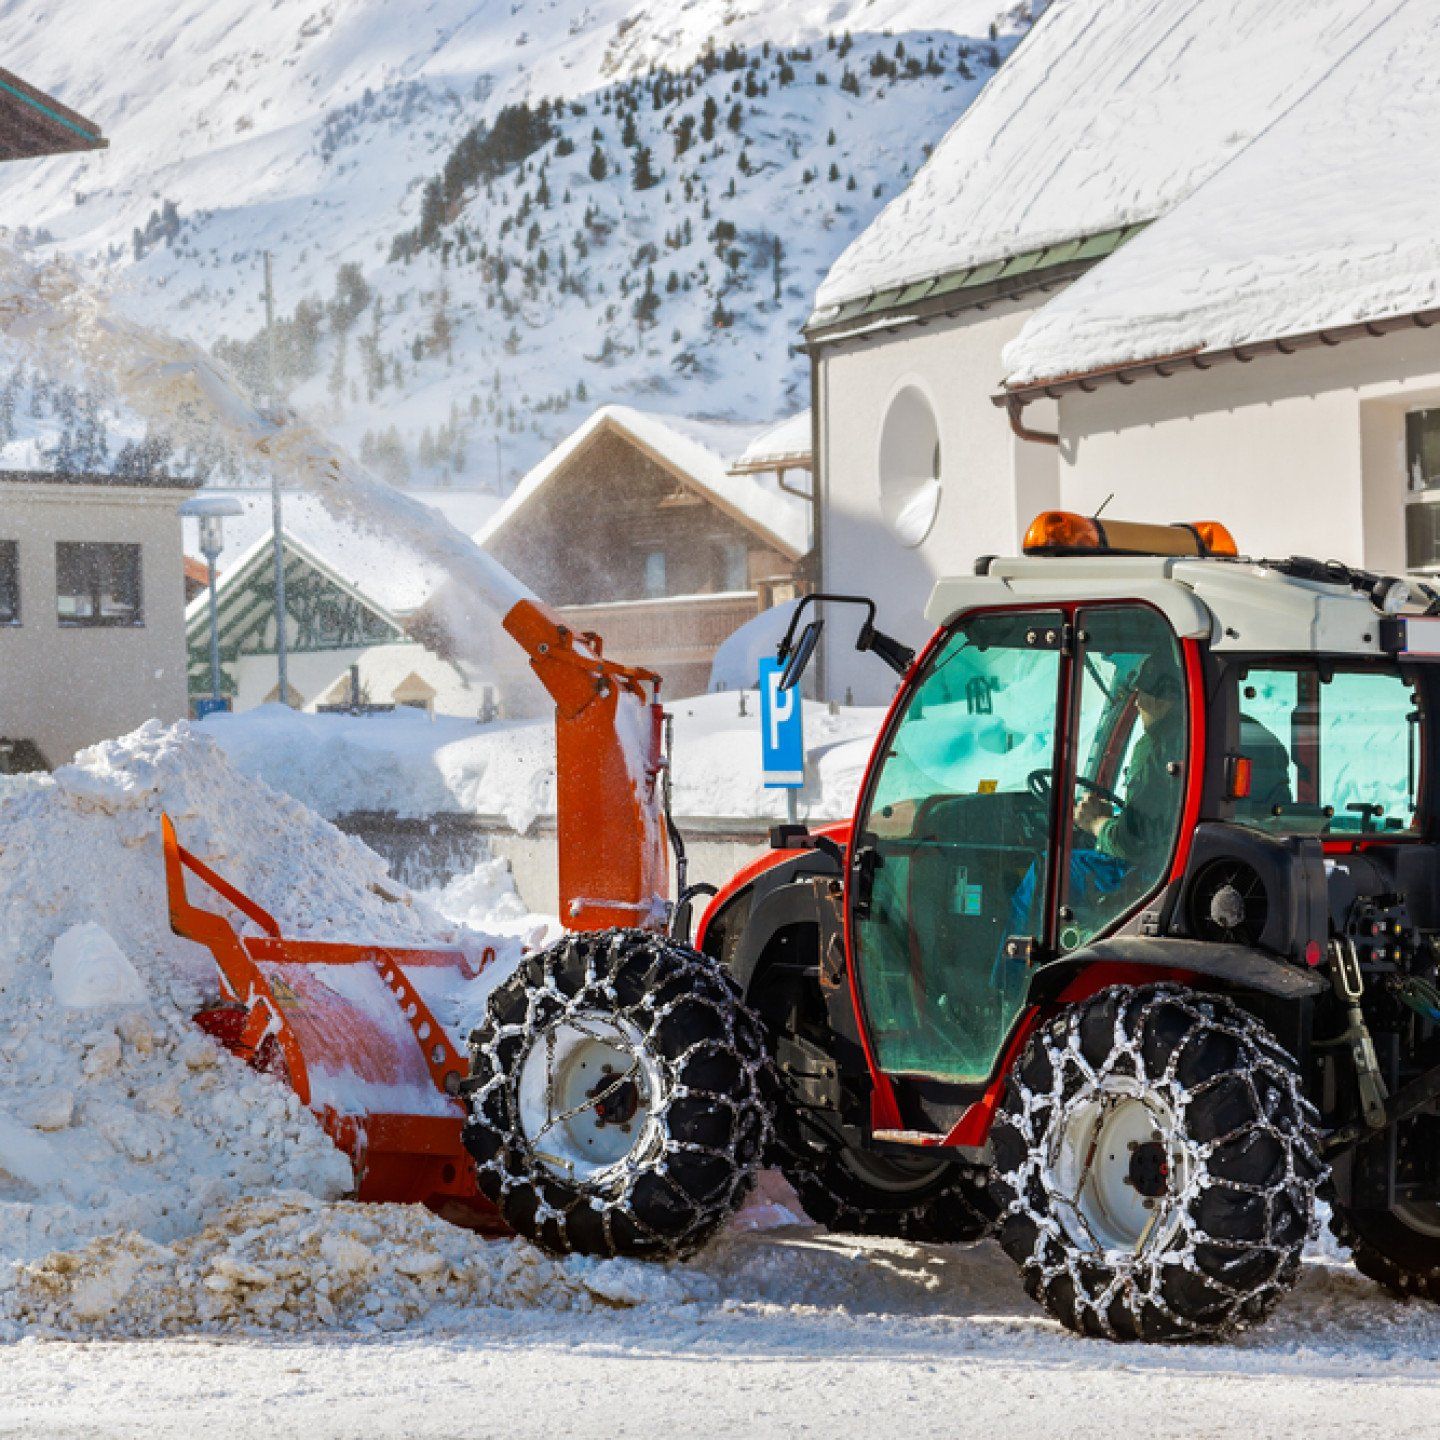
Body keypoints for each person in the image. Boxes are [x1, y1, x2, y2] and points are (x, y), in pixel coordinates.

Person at [1074, 653, 1185, 863]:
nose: (1137, 704)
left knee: (1049, 867)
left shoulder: (1157, 747)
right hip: (1175, 857)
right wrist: (1117, 822)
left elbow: (1134, 842)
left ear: (1163, 702)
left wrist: (1095, 823)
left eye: (1141, 695)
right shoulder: (1196, 736)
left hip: (1152, 869)